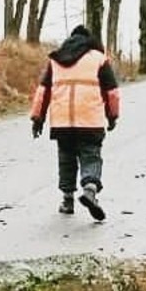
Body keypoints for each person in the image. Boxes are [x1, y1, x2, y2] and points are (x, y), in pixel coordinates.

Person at [29, 24, 122, 221]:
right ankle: (89, 189)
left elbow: (43, 92)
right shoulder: (98, 59)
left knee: (66, 158)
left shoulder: (56, 60)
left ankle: (67, 200)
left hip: (62, 122)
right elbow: (112, 92)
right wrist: (112, 115)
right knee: (91, 156)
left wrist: (38, 119)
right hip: (90, 120)